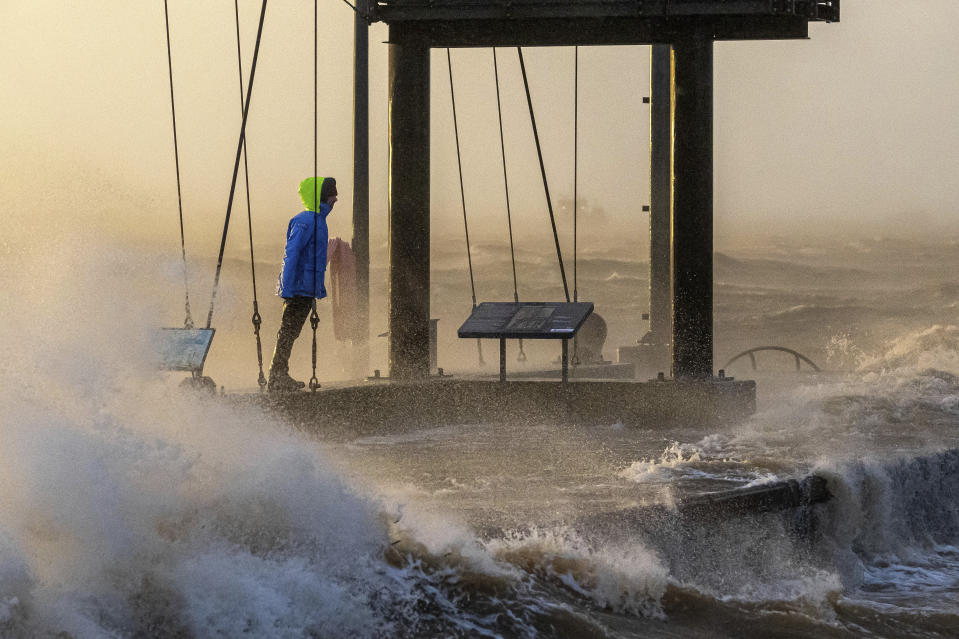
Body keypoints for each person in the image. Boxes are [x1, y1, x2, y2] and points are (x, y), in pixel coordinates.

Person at [267, 176, 337, 392]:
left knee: (292, 331)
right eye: (332, 193)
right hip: (297, 288)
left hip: (306, 288)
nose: (336, 198)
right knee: (288, 331)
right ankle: (277, 375)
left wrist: (317, 289)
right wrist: (286, 287)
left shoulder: (318, 221)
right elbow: (292, 254)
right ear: (322, 197)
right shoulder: (305, 221)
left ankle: (279, 373)